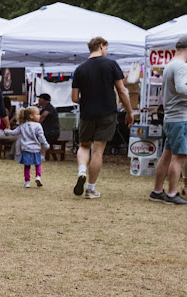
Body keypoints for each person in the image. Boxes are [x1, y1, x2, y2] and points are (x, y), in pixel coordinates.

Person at [71, 36, 134, 199]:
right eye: (106, 48)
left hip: (87, 113)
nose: (106, 51)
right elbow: (121, 91)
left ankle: (82, 171)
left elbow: (74, 98)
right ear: (101, 46)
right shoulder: (111, 64)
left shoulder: (80, 69)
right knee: (98, 150)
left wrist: (87, 100)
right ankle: (90, 189)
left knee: (84, 146)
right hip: (107, 112)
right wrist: (129, 111)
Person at [148, 36, 187, 206]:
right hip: (181, 118)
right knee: (179, 156)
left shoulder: (169, 65)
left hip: (170, 118)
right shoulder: (181, 67)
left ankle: (157, 191)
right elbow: (182, 87)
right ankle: (172, 194)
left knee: (166, 155)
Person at [4, 106, 50, 187]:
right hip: (36, 149)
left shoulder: (22, 126)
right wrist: (46, 144)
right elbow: (41, 137)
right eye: (38, 114)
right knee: (38, 164)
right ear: (31, 116)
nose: (39, 116)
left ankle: (27, 182)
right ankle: (38, 177)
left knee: (27, 166)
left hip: (26, 149)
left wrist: (7, 131)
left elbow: (14, 132)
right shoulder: (38, 126)